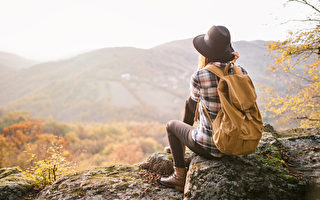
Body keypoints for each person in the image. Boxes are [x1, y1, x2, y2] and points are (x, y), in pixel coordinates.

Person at [160, 25, 247, 192]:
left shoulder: (200, 76)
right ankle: (180, 144)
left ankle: (179, 175)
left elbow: (193, 105)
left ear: (206, 52)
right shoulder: (241, 72)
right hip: (236, 144)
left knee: (171, 125)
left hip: (211, 147)